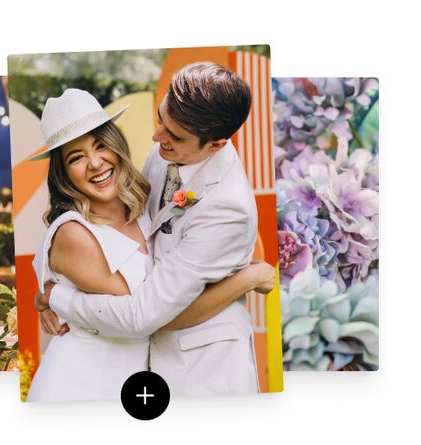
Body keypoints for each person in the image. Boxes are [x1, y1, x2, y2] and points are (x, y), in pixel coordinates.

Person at [28, 87, 274, 401]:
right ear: (63, 174)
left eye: (101, 145)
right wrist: (247, 279)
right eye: (76, 157)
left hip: (159, 373)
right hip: (84, 381)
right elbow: (142, 316)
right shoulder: (73, 235)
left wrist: (55, 297)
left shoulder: (141, 204)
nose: (94, 163)